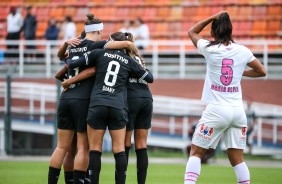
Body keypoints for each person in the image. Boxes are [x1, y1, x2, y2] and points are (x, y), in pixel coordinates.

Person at [49, 13, 141, 184]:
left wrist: (65, 46)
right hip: (84, 99)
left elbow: (62, 64)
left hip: (66, 98)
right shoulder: (98, 46)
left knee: (64, 147)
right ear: (99, 31)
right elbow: (125, 45)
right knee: (83, 147)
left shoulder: (74, 46)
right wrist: (138, 56)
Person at [184, 11, 266, 184]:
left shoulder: (209, 49)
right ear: (230, 30)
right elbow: (262, 71)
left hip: (216, 109)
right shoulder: (243, 51)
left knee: (196, 153)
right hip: (238, 112)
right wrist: (239, 72)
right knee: (237, 158)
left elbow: (192, 32)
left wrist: (211, 17)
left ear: (214, 32)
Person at [66, 31, 153, 184]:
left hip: (98, 103)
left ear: (112, 42)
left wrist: (68, 78)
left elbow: (72, 63)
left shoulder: (99, 53)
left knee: (95, 149)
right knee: (120, 149)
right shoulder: (128, 60)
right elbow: (149, 78)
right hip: (119, 105)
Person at [123, 33, 153, 184]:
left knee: (126, 143)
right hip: (147, 98)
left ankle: (122, 179)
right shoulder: (139, 59)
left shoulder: (122, 57)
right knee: (141, 144)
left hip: (131, 98)